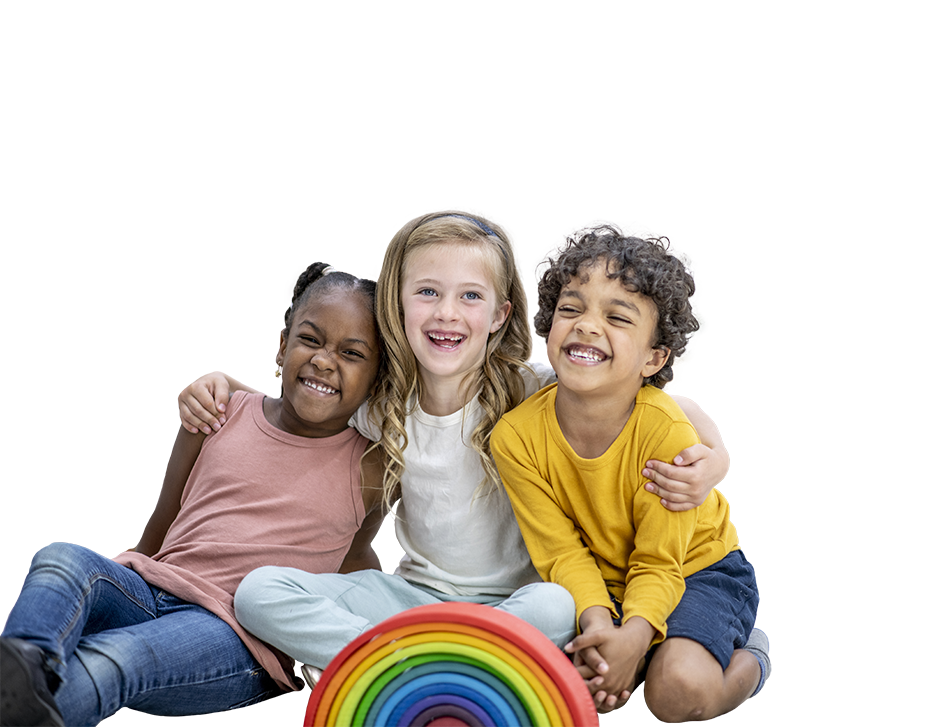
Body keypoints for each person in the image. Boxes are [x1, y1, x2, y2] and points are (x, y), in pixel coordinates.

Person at [175, 211, 732, 684]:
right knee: (259, 592)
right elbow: (302, 401)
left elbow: (664, 406)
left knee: (558, 604)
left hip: (515, 604)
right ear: (396, 305)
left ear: (499, 315)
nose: (446, 313)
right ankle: (425, 663)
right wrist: (227, 391)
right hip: (413, 598)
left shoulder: (530, 387)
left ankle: (395, 663)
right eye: (427, 293)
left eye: (470, 296)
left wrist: (716, 458)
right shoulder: (378, 405)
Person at [0, 263, 385, 727]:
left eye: (351, 352)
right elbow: (165, 516)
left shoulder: (370, 466)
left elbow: (356, 561)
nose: (325, 359)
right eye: (310, 339)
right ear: (282, 348)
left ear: (378, 379)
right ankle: (25, 666)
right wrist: (131, 588)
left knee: (113, 657)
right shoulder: (219, 413)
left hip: (237, 638)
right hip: (152, 591)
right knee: (62, 558)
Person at [491, 223, 769, 723]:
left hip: (698, 570)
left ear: (654, 358)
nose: (587, 325)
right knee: (568, 693)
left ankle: (752, 657)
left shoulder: (665, 430)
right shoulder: (515, 437)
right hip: (602, 578)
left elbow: (660, 561)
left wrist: (636, 636)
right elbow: (561, 553)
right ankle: (639, 656)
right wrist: (601, 625)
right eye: (570, 309)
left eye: (617, 317)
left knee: (677, 692)